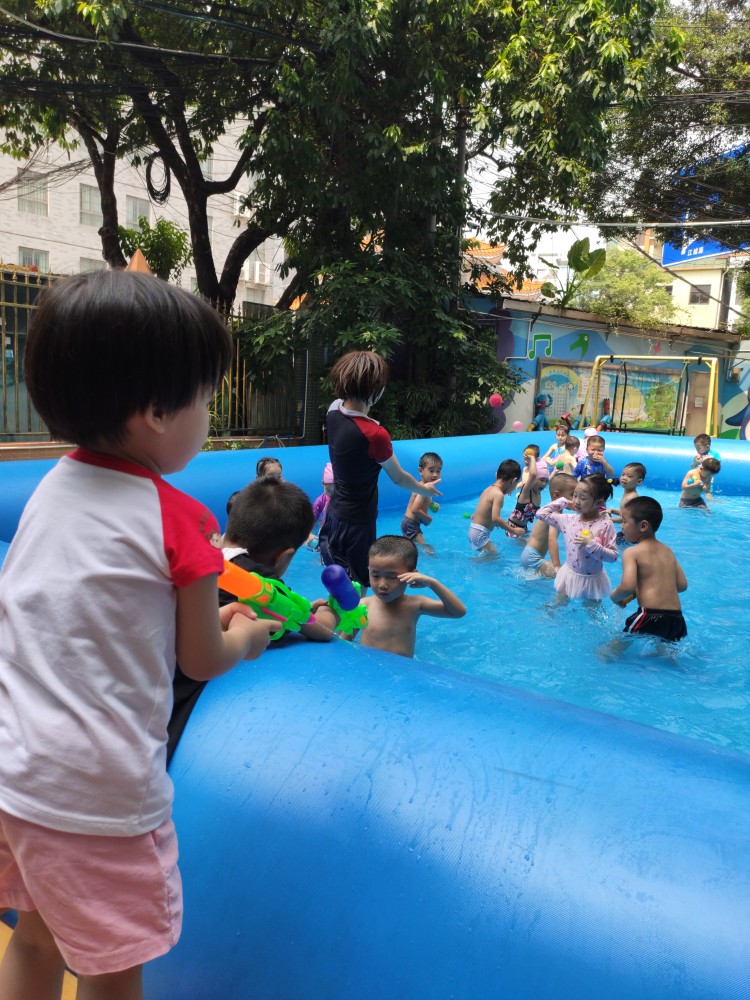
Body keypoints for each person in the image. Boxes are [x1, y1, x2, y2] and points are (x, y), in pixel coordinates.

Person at [0, 270, 280, 1000]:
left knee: (36, 938)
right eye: (205, 399)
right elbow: (201, 657)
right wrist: (247, 637)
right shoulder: (180, 519)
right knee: (111, 964)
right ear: (156, 412)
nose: (209, 415)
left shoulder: (49, 490)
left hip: (16, 775)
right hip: (100, 798)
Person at [168, 478, 338, 761]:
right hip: (178, 699)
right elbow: (321, 630)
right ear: (284, 557)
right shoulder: (261, 583)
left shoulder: (198, 555)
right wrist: (332, 611)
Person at [318, 351, 441, 589]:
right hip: (358, 521)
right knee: (359, 585)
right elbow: (399, 478)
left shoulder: (333, 411)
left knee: (338, 581)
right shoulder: (375, 434)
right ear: (376, 390)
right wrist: (424, 489)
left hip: (334, 514)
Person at [357, 535, 466, 658]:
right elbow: (346, 640)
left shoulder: (415, 605)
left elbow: (458, 612)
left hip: (402, 669)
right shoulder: (363, 606)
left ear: (412, 575)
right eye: (375, 575)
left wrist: (433, 584)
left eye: (392, 577)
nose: (382, 585)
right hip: (369, 666)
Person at [610, 497, 688, 642]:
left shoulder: (632, 552)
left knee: (615, 647)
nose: (621, 526)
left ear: (643, 526)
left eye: (625, 521)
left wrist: (614, 597)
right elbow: (682, 585)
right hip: (676, 618)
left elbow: (627, 586)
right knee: (664, 650)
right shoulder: (668, 551)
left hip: (649, 616)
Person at [535, 474, 618, 600]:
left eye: (582, 498)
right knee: (559, 602)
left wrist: (592, 545)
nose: (576, 501)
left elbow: (613, 557)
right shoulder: (568, 520)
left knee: (592, 607)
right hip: (569, 575)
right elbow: (540, 514)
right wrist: (563, 502)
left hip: (593, 580)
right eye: (574, 495)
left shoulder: (605, 525)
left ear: (599, 502)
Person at [520, 472, 577, 577]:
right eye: (573, 495)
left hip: (529, 554)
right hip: (533, 558)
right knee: (567, 575)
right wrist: (556, 566)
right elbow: (552, 539)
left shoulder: (549, 510)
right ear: (557, 495)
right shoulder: (554, 514)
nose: (575, 500)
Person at [468, 459, 524, 556]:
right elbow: (496, 518)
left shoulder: (488, 489)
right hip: (480, 534)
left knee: (491, 556)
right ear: (514, 481)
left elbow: (482, 513)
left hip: (474, 530)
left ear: (497, 475)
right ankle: (470, 563)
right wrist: (513, 530)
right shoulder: (498, 495)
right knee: (494, 557)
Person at [401, 451, 443, 549]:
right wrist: (428, 518)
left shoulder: (423, 486)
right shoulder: (423, 488)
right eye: (431, 471)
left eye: (438, 471)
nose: (435, 474)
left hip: (408, 523)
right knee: (428, 549)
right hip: (411, 524)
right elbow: (415, 509)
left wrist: (431, 504)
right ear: (421, 471)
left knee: (409, 549)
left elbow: (422, 501)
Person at [506, 451, 549, 536]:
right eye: (541, 480)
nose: (544, 484)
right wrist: (532, 458)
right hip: (513, 529)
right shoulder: (527, 490)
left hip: (524, 529)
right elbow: (533, 474)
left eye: (546, 481)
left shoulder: (538, 492)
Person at [608, 462, 646, 542]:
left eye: (629, 476)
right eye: (623, 474)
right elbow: (624, 513)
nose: (624, 478)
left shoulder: (631, 498)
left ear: (638, 481)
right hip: (627, 532)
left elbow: (627, 519)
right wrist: (612, 510)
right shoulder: (627, 494)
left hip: (631, 535)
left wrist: (611, 520)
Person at [308, 461, 335, 547]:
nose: (332, 491)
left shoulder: (345, 500)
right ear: (322, 484)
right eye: (328, 487)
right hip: (326, 531)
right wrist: (309, 535)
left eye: (335, 487)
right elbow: (311, 521)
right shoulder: (320, 502)